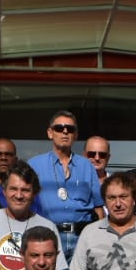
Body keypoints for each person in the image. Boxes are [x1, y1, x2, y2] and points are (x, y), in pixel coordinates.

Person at [27, 110, 102, 260]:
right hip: (47, 238)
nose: (65, 131)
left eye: (70, 129)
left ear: (76, 135)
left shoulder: (87, 166)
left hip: (82, 237)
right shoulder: (34, 165)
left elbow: (98, 208)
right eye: (59, 128)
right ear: (50, 133)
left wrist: (99, 238)